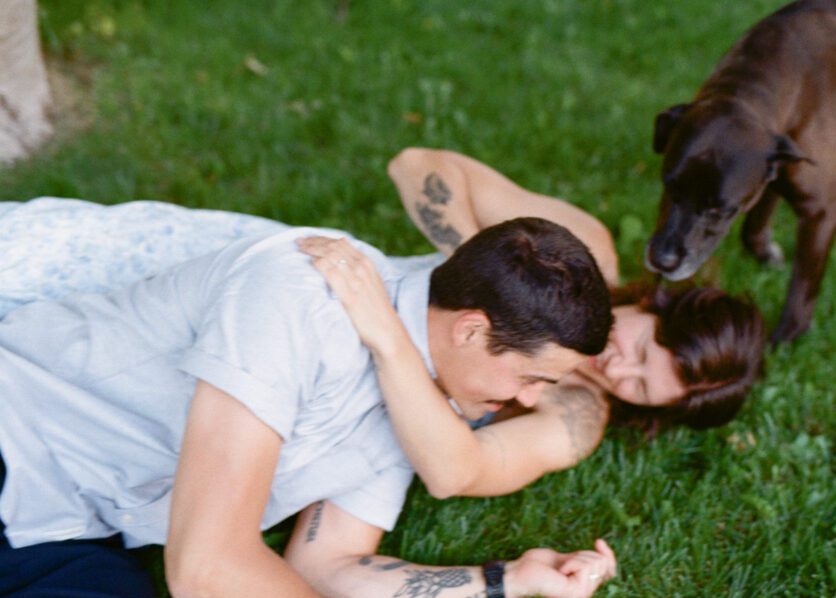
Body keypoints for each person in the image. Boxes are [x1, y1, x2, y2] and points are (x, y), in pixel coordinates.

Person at [0, 205, 619, 598]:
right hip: (16, 434)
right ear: (471, 329)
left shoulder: (420, 402)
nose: (530, 400)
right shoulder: (302, 298)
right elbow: (205, 567)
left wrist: (508, 578)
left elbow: (326, 565)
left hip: (65, 528)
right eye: (532, 377)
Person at [294, 147, 766, 499]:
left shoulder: (576, 416)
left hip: (344, 406)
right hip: (326, 298)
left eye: (639, 389)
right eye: (640, 351)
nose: (618, 372)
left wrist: (390, 342)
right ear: (650, 303)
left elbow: (456, 473)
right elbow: (417, 165)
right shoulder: (581, 252)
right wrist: (492, 272)